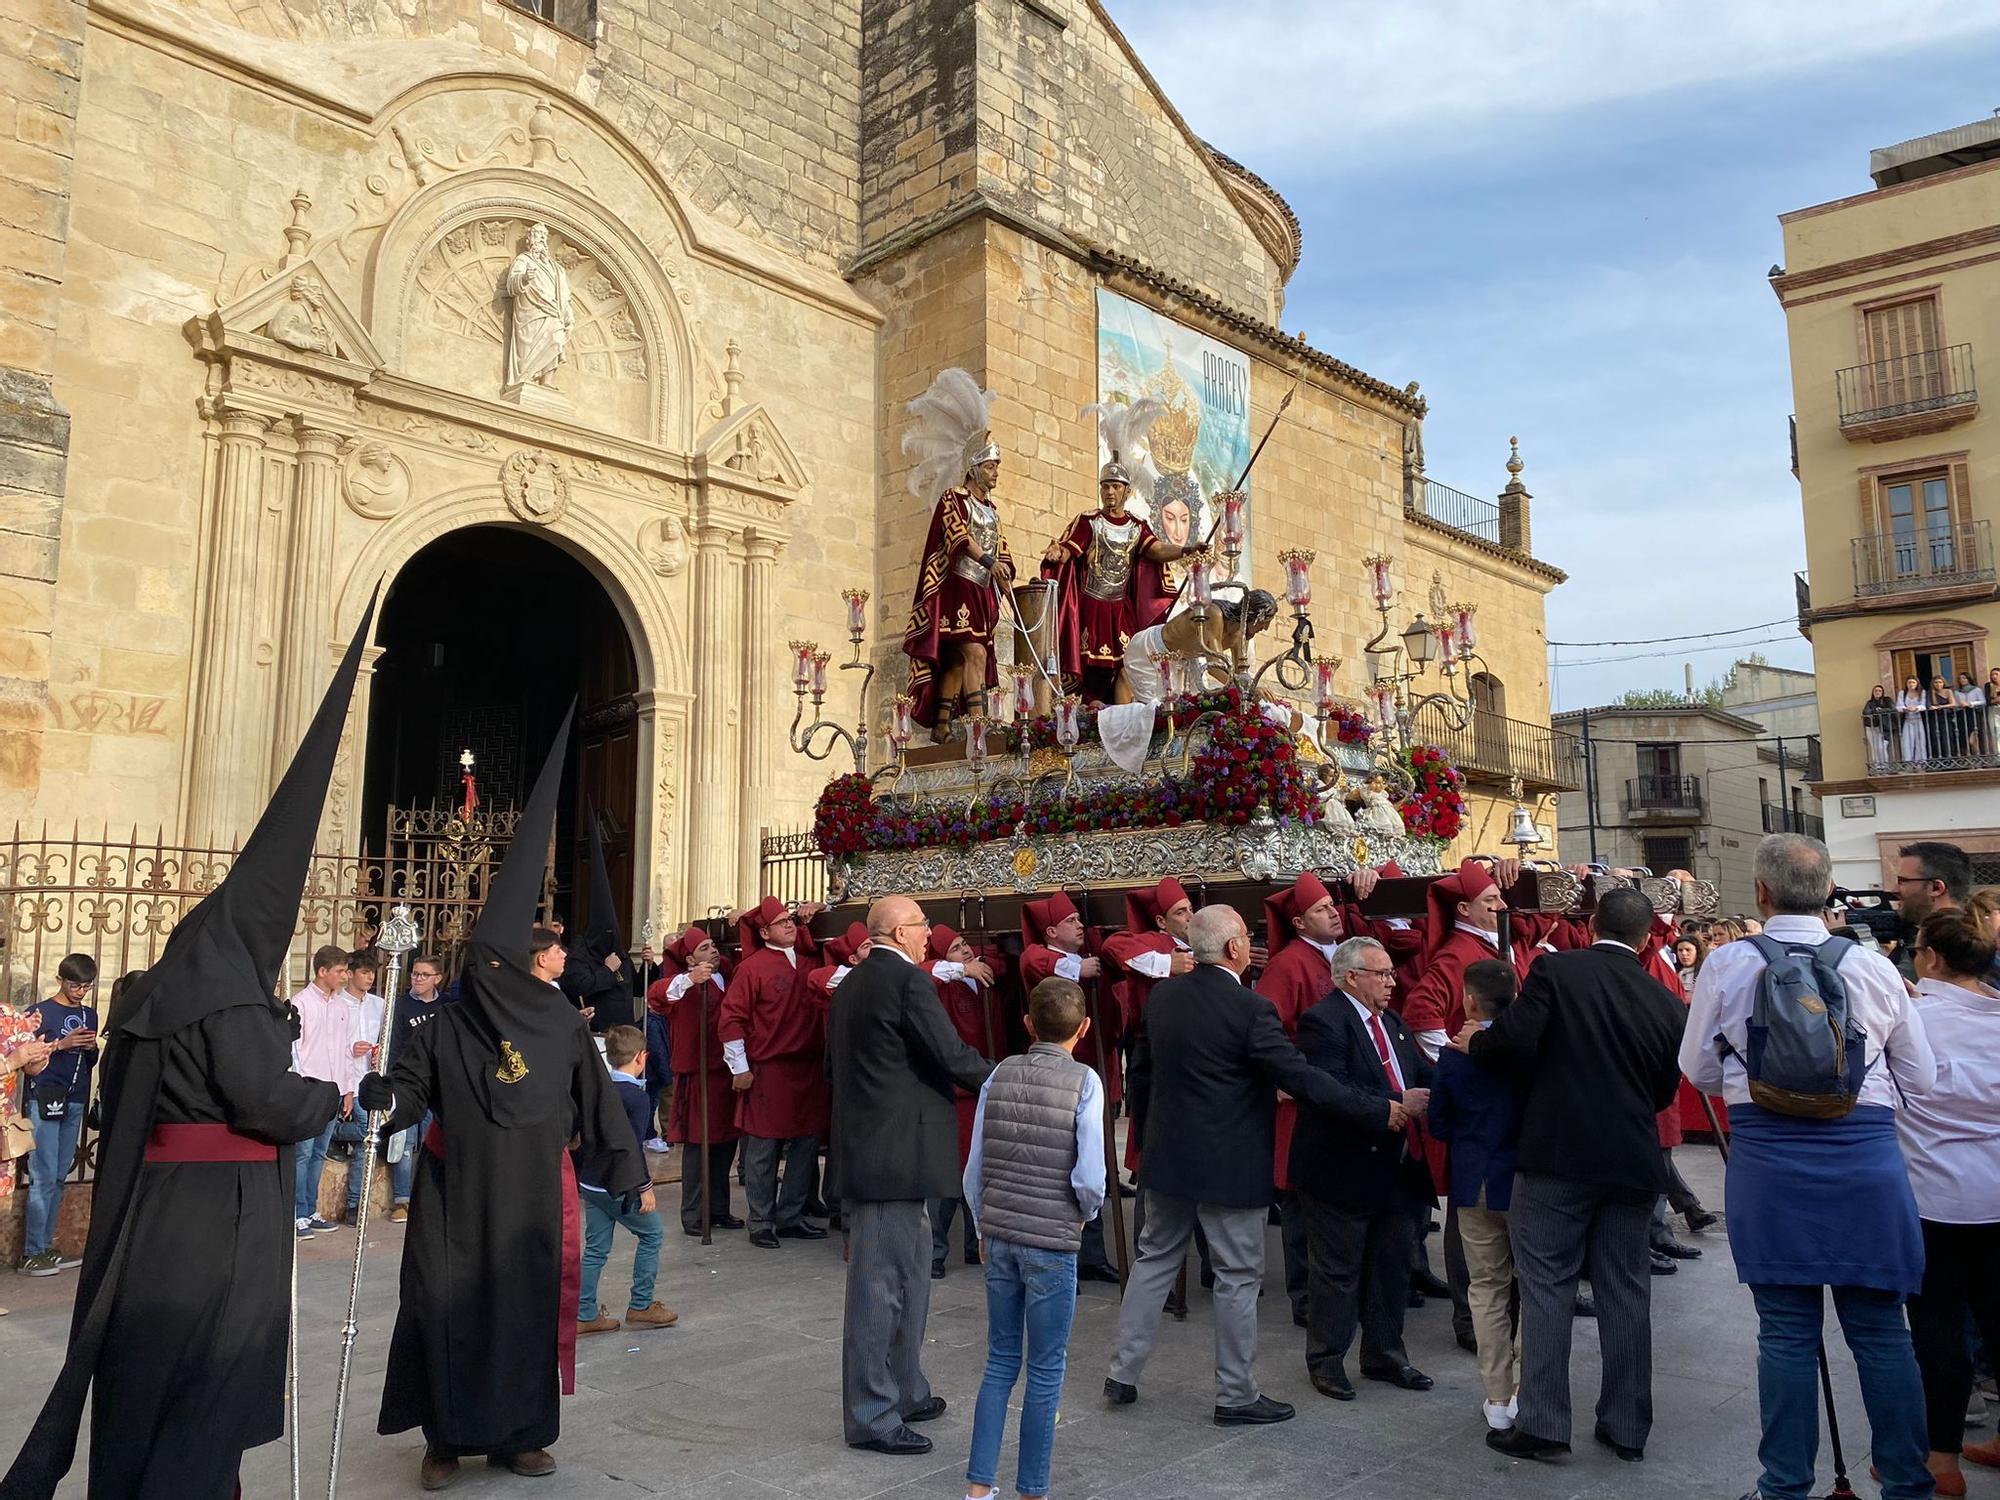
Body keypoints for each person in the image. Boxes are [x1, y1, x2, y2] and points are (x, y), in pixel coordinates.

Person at [0, 597, 366, 1500]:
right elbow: (263, 1101)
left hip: (158, 1204)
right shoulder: (234, 998)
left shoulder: (156, 990)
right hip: (220, 1214)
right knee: (209, 1365)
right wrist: (341, 1098)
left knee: (144, 1366)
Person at [361, 709, 651, 1491]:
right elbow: (414, 1089)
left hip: (530, 1197)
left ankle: (523, 1436)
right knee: (445, 1311)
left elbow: (596, 1097)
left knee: (524, 1314)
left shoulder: (559, 1021)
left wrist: (629, 1173)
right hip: (457, 1200)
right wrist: (386, 1094)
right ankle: (445, 1442)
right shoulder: (449, 1026)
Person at [1681, 833, 1937, 1500]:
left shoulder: (1728, 964)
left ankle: (1785, 1486)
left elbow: (1698, 1070)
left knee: (1787, 1334)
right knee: (1882, 1332)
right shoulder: (1874, 967)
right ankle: (1908, 1485)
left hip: (1769, 1159)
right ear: (1828, 892)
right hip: (1866, 1159)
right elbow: (1924, 1076)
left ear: (1761, 894)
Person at [1461, 886, 1686, 1462]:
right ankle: (1627, 1426)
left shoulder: (1557, 972)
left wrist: (1476, 1044)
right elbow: (1663, 1089)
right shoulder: (1664, 1000)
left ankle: (1543, 1423)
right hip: (1632, 1160)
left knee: (1546, 1287)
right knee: (1626, 1293)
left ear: (1589, 924)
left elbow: (1513, 1040)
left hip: (1559, 1155)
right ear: (1644, 938)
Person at [1103, 903, 1350, 1426]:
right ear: (1236, 948)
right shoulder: (1249, 1009)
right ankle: (1235, 1394)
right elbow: (1293, 1073)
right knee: (1238, 1276)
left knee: (1153, 1261)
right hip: (1228, 1163)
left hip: (1169, 1156)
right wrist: (1364, 1103)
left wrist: (1146, 1144)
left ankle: (1122, 1373)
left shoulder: (1165, 997)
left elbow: (1146, 1073)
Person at [825, 894, 993, 1456]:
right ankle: (872, 1413)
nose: (929, 935)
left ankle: (906, 1386)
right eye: (923, 926)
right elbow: (948, 1053)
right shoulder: (907, 982)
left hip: (883, 1150)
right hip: (892, 1157)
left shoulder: (850, 983)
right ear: (899, 933)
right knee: (880, 1290)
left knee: (910, 1279)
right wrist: (1007, 1077)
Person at [961, 977, 1106, 1500]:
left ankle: (980, 1486)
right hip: (1052, 1238)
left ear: (1027, 1025)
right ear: (1084, 1029)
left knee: (1000, 1360)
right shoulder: (1085, 1080)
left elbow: (974, 1165)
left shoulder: (997, 1073)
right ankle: (1032, 1490)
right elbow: (1090, 1174)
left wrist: (981, 1223)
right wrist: (1085, 1215)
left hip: (999, 1231)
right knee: (1046, 1368)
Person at [1289, 936, 1437, 1403]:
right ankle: (1327, 1360)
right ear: (1351, 977)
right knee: (1337, 1271)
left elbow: (1420, 1074)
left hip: (1396, 1166)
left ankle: (1384, 1354)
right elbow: (1330, 1088)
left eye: (1392, 973)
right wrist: (1391, 1105)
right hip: (1342, 1167)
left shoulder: (1390, 1022)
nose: (1393, 982)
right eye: (1383, 974)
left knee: (1392, 1265)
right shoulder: (1323, 1021)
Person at [1896, 908, 2000, 1494]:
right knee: (1995, 1316)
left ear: (1931, 957)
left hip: (1932, 1197)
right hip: (1995, 1192)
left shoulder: (1914, 1018)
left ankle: (1941, 1458)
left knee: (1937, 1327)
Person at [1427, 959, 1525, 1431]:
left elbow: (1440, 1122)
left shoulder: (1453, 1055)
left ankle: (1498, 1396)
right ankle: (1529, 1387)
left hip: (1475, 1180)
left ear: (1468, 999)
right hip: (1525, 1180)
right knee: (1534, 1285)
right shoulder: (1530, 1048)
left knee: (1486, 1287)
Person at [1020, 893, 1121, 1284]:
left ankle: (1091, 1255)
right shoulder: (1035, 955)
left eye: (1082, 920)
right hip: (1056, 1078)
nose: (1080, 926)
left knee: (1089, 1164)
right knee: (1061, 1168)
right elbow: (1045, 964)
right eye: (1071, 921)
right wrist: (1082, 967)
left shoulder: (1090, 944)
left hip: (1092, 1071)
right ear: (1050, 930)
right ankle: (1062, 1257)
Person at [718, 896, 829, 1249]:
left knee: (806, 1145)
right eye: (782, 922)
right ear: (764, 931)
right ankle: (761, 1221)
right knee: (764, 1148)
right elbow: (731, 1018)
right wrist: (740, 1067)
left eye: (790, 921)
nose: (790, 926)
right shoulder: (752, 968)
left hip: (809, 1068)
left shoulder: (811, 961)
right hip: (769, 1069)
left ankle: (791, 1216)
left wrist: (820, 909)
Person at [1039, 455, 1190, 704]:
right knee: (1090, 667)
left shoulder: (1137, 526)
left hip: (1121, 609)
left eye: (1115, 486)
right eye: (1105, 486)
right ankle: (1089, 711)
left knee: (1127, 665)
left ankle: (1123, 720)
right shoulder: (1090, 522)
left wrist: (1186, 549)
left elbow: (1158, 550)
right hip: (1092, 605)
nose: (1109, 491)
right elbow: (1070, 548)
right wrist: (1058, 553)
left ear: (1127, 492)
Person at [902, 416, 1016, 736]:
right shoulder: (954, 498)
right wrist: (990, 561)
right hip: (955, 586)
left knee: (956, 659)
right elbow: (959, 536)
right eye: (991, 467)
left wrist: (1006, 577)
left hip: (981, 590)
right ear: (974, 467)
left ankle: (941, 727)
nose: (995, 473)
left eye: (997, 467)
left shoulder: (992, 511)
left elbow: (1001, 547)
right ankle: (979, 726)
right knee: (975, 652)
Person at [575, 1025, 678, 1338]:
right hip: (619, 1183)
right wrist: (644, 1187)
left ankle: (586, 1311)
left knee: (596, 1249)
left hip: (591, 1181)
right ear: (641, 1057)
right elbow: (631, 1146)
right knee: (653, 1234)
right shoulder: (637, 1097)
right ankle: (641, 1304)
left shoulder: (598, 1089)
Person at [652, 924, 743, 1236]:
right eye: (704, 948)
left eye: (712, 945)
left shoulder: (728, 975)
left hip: (725, 1072)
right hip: (698, 1075)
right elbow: (657, 996)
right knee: (697, 1146)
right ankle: (693, 1213)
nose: (713, 950)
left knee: (725, 1144)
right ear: (690, 959)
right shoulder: (681, 984)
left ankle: (719, 1208)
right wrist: (691, 980)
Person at [923, 923, 1001, 1279]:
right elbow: (924, 972)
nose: (965, 952)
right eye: (954, 948)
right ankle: (934, 1252)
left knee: (980, 1169)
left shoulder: (984, 977)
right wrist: (960, 968)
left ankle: (976, 1244)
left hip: (983, 1087)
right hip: (953, 1094)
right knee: (947, 1177)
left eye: (964, 944)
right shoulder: (938, 985)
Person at [18, 954, 99, 1275]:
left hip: (75, 1098)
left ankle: (46, 1247)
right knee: (44, 1174)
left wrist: (90, 1049)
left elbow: (87, 1063)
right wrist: (60, 1044)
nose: (80, 991)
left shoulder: (89, 1015)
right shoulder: (39, 1012)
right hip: (44, 1097)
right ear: (59, 980)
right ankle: (31, 1251)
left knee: (59, 1175)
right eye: (75, 984)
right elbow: (24, 1060)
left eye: (87, 986)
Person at [290, 943, 352, 1236]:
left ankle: (310, 1209)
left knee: (319, 1152)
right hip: (309, 1086)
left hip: (334, 1088)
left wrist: (348, 1089)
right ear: (322, 971)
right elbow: (295, 1050)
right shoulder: (301, 1003)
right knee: (302, 1153)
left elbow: (345, 1051)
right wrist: (300, 1084)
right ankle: (295, 1212)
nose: (344, 976)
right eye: (339, 971)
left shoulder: (341, 1006)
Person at [385, 953, 450, 1223]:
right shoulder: (401, 1006)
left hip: (439, 1083)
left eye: (424, 975)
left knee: (431, 1141)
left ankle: (428, 1198)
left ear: (438, 978)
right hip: (409, 1084)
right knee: (405, 1141)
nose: (417, 979)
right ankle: (402, 1200)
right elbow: (393, 1045)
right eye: (414, 973)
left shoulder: (447, 1007)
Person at [1, 1008, 52, 1315]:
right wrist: (11, 1061)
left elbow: (31, 1067)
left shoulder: (8, 1015)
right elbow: (12, 1060)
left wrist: (37, 1056)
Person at [338, 946, 387, 1225]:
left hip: (367, 1080)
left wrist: (379, 1051)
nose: (369, 978)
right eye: (365, 972)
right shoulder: (338, 1003)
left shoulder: (378, 1004)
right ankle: (334, 1133)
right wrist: (350, 1048)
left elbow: (385, 1035)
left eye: (372, 973)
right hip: (343, 1078)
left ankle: (355, 1203)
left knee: (364, 1140)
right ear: (351, 974)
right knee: (362, 1134)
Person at [1897, 675, 1930, 766]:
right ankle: (1908, 764)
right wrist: (1905, 709)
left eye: (1913, 682)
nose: (1911, 684)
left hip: (1918, 719)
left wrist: (1916, 708)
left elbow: (1924, 705)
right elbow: (1898, 706)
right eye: (1909, 682)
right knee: (1907, 742)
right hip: (1907, 720)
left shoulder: (1922, 692)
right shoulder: (1902, 693)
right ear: (1906, 684)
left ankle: (1920, 764)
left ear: (1917, 683)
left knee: (1920, 741)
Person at [1863, 685, 1898, 770]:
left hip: (1884, 727)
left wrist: (1880, 710)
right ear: (1873, 693)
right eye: (1875, 691)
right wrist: (1876, 710)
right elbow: (1866, 712)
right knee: (1874, 748)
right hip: (1872, 727)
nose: (1877, 692)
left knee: (1882, 747)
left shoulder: (1887, 700)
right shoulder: (1870, 702)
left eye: (1879, 691)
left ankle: (1884, 766)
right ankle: (1877, 766)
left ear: (1882, 692)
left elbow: (1893, 709)